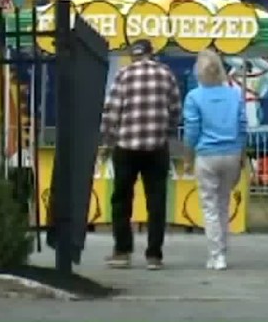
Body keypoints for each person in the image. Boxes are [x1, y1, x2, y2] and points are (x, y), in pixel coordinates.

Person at [100, 38, 181, 270]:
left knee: (121, 199)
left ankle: (122, 251)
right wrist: (166, 131)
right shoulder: (166, 74)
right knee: (156, 201)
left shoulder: (124, 75)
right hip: (156, 147)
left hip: (126, 146)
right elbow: (175, 109)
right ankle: (154, 255)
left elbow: (112, 111)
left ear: (133, 55)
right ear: (151, 53)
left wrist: (107, 139)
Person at [182, 49, 247, 271]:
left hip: (207, 155)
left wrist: (188, 158)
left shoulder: (194, 97)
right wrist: (242, 155)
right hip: (232, 153)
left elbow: (191, 131)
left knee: (209, 206)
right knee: (223, 204)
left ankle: (216, 254)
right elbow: (242, 127)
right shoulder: (235, 94)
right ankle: (223, 250)